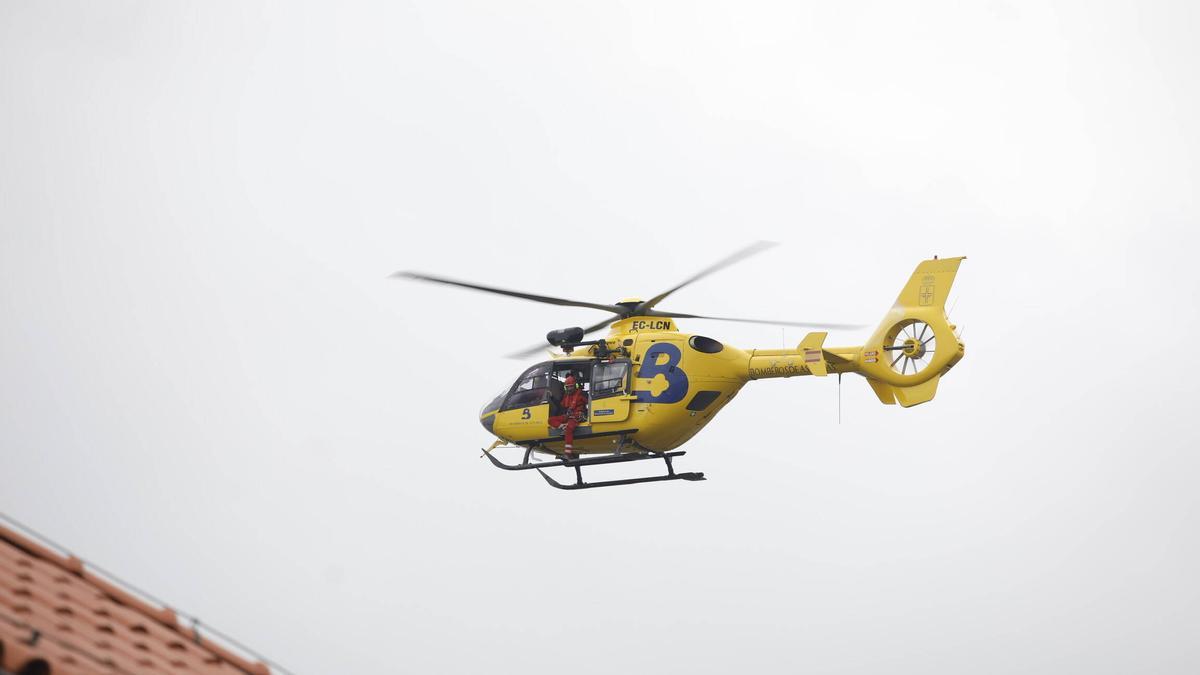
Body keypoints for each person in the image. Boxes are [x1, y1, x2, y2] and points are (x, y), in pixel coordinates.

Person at [549, 375, 588, 456]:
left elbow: (589, 402)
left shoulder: (581, 394)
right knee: (550, 420)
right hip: (567, 416)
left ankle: (568, 453)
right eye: (568, 387)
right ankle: (562, 426)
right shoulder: (566, 397)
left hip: (577, 416)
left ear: (575, 386)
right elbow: (560, 406)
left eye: (571, 387)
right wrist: (552, 397)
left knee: (569, 429)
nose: (569, 389)